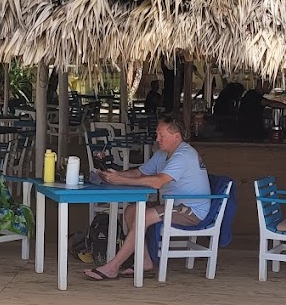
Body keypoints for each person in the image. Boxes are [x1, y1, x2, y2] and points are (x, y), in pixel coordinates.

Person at [85, 117, 210, 281]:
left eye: (161, 135)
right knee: (131, 211)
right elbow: (140, 172)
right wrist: (115, 175)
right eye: (157, 134)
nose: (157, 139)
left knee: (143, 216)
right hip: (172, 205)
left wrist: (121, 180)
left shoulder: (184, 155)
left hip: (190, 210)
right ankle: (144, 261)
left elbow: (158, 182)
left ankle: (112, 267)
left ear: (176, 136)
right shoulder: (162, 154)